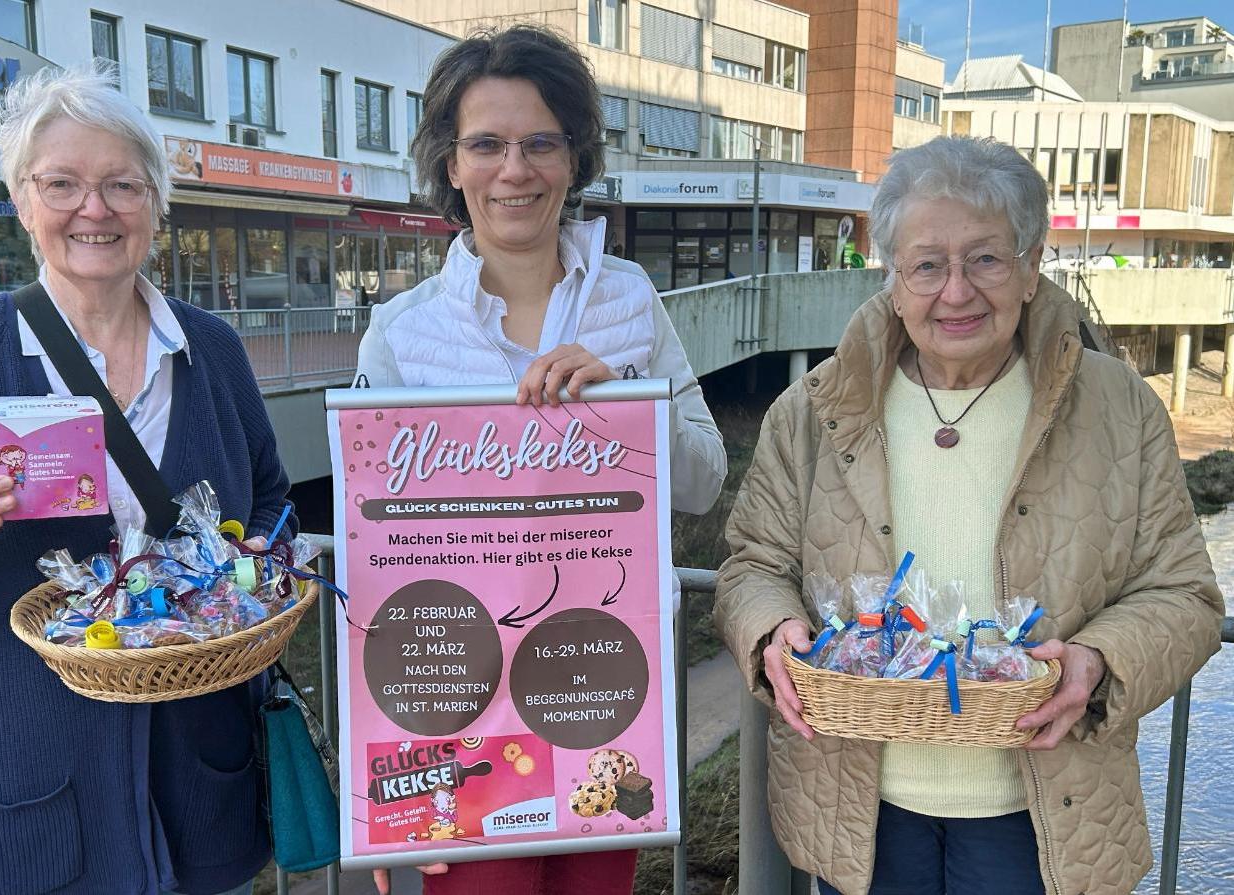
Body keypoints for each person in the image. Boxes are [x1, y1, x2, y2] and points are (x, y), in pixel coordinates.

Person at [714, 136, 1224, 895]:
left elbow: (1186, 596)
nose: (955, 292)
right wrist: (770, 629)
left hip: (1047, 807)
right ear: (891, 277)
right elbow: (752, 563)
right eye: (926, 264)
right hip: (858, 808)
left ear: (1029, 266)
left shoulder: (1117, 407)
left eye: (984, 259)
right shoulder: (813, 409)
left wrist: (1099, 660)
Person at [0, 64, 293, 895]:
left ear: (155, 201)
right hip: (16, 781)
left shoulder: (211, 351)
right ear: (23, 199)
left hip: (192, 772)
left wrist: (256, 560)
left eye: (121, 185)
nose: (95, 210)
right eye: (63, 184)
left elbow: (271, 498)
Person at [356, 24, 727, 895]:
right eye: (484, 144)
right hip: (459, 714)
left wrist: (622, 411)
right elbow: (374, 564)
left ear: (573, 158)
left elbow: (705, 478)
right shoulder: (402, 331)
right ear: (450, 164)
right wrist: (385, 803)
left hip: (600, 693)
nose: (512, 170)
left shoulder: (632, 300)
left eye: (539, 143)